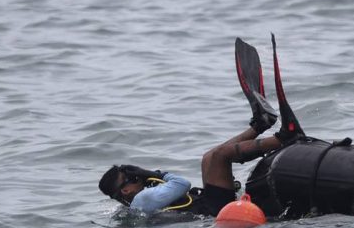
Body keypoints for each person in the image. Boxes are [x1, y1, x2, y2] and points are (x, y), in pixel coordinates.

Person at [98, 61, 304, 216]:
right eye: (133, 178)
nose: (139, 179)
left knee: (209, 158)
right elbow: (182, 184)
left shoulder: (138, 205)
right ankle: (284, 138)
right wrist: (150, 172)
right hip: (212, 210)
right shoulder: (143, 198)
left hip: (208, 206)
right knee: (219, 156)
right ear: (125, 190)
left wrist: (148, 175)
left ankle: (260, 125)